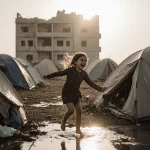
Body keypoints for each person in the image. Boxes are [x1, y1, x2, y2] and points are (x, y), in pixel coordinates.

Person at [43, 52, 106, 137]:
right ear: (75, 62)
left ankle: (78, 130)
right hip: (67, 93)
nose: (83, 62)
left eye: (85, 61)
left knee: (79, 111)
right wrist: (47, 76)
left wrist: (101, 89)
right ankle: (64, 121)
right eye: (81, 60)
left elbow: (91, 83)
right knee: (71, 110)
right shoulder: (70, 70)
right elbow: (59, 73)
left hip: (76, 93)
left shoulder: (84, 74)